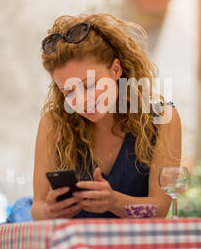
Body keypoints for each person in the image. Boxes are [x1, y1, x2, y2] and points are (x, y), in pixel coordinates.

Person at [30, 13, 182, 220]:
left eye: (90, 85)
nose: (82, 100)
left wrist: (114, 202)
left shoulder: (162, 119)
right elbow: (37, 208)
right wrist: (49, 211)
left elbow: (159, 210)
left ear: (116, 69)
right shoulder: (53, 123)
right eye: (69, 92)